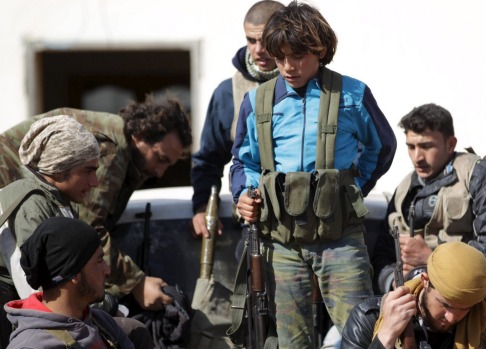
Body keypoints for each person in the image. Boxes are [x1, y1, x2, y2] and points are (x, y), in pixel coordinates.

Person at [230, 2, 397, 348]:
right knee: (292, 341)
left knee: (364, 333)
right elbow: (244, 161)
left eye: (298, 56)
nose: (288, 67)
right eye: (280, 57)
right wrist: (243, 196)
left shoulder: (353, 94)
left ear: (320, 50)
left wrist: (353, 190)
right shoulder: (256, 102)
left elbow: (382, 147)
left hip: (340, 239)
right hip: (282, 243)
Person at [0, 95, 192, 314]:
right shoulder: (111, 149)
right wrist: (137, 284)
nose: (160, 172)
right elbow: (88, 230)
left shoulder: (119, 149)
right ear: (140, 136)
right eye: (160, 158)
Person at [0, 115, 151, 349]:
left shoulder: (58, 200)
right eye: (88, 171)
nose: (94, 181)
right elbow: (39, 288)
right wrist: (103, 304)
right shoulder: (30, 203)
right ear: (60, 170)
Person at [378, 103, 486, 311]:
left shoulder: (480, 176)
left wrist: (431, 257)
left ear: (450, 144)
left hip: (475, 298)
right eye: (411, 146)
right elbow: (381, 254)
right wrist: (394, 280)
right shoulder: (404, 189)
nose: (418, 157)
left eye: (426, 146)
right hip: (419, 298)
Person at [191, 0, 284, 238]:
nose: (258, 49)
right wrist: (202, 207)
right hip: (253, 227)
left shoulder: (315, 87)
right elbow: (208, 161)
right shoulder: (228, 93)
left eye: (265, 40)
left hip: (314, 229)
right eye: (251, 40)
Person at [341, 241, 486, 349]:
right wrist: (386, 336)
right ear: (425, 280)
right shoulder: (368, 320)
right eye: (445, 304)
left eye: (464, 308)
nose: (451, 317)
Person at [4, 216, 135, 349]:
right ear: (73, 274)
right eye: (99, 261)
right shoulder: (33, 345)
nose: (107, 270)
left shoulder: (102, 323)